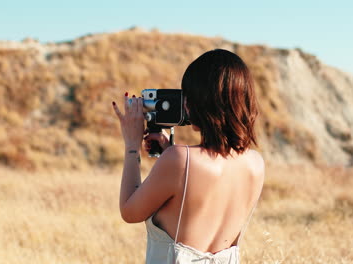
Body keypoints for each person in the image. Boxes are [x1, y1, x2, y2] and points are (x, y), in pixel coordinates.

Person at [111, 49, 264, 263]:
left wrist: (131, 145)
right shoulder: (255, 163)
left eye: (188, 96)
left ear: (201, 101)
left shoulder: (180, 160)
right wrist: (170, 154)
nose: (185, 104)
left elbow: (129, 211)